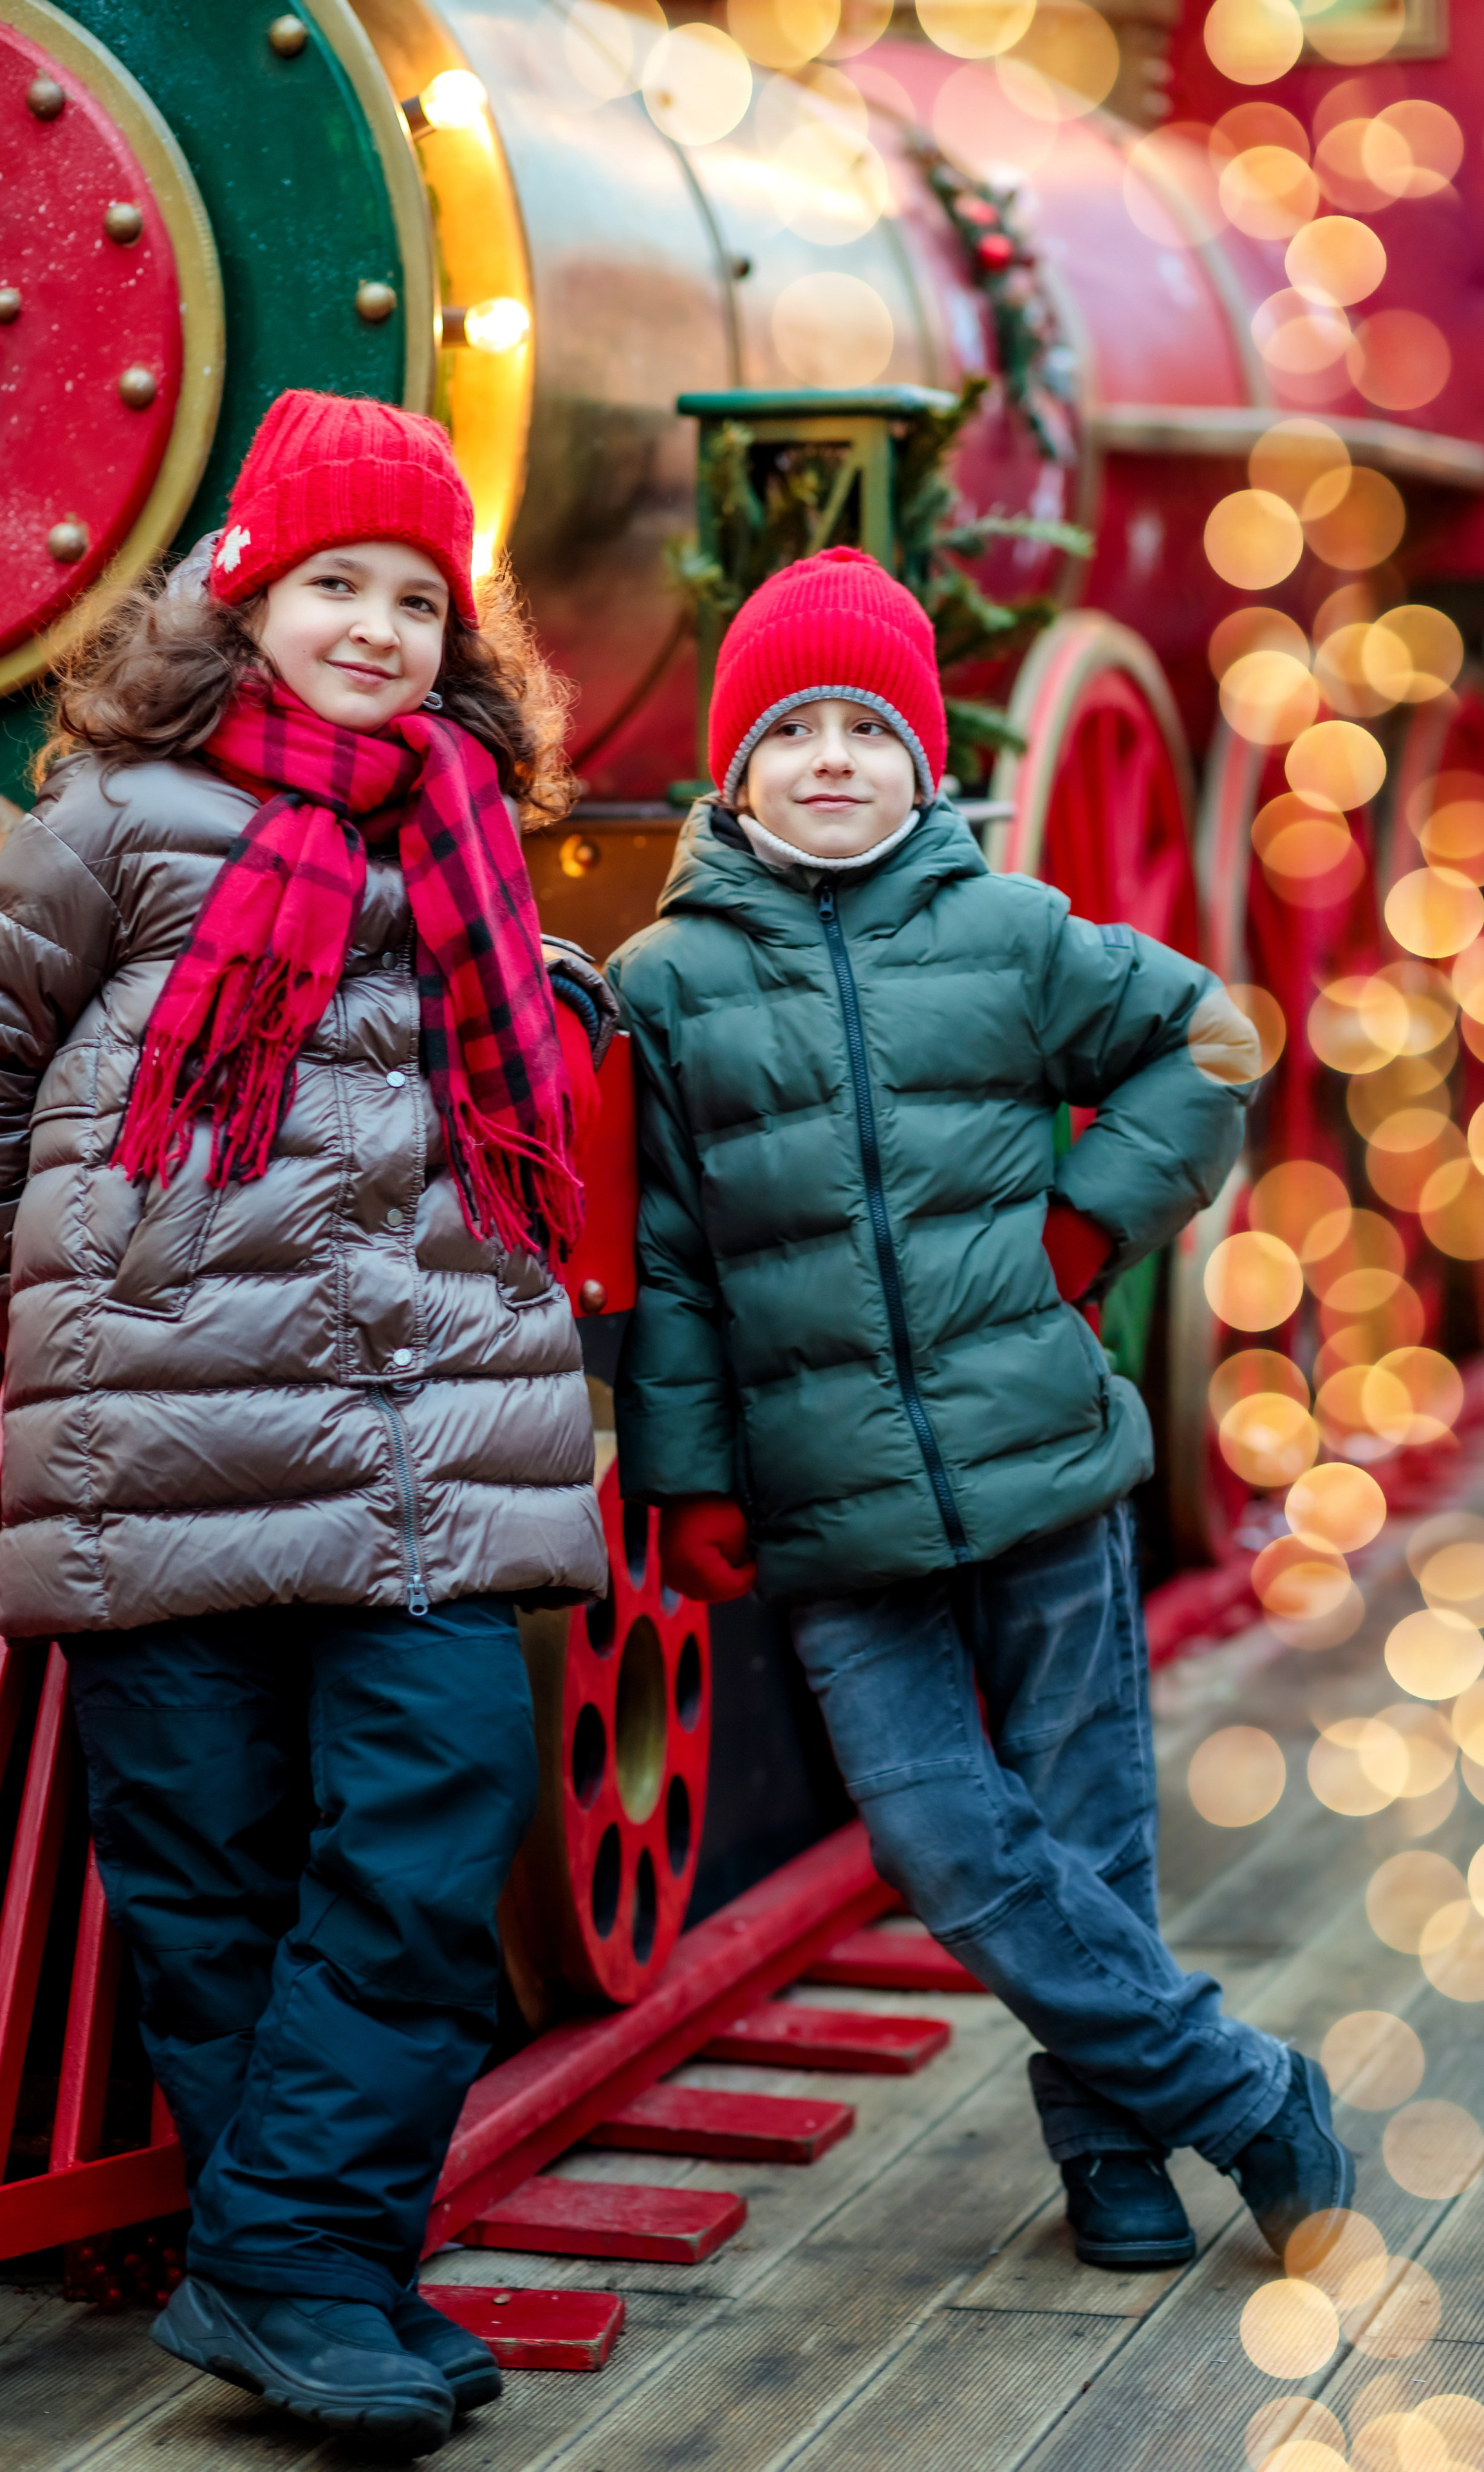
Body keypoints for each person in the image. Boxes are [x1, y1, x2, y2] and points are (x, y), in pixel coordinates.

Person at [0, 391, 613, 2453]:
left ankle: (288, 2264)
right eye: (339, 586)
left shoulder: (477, 839)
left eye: (420, 598)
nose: (381, 630)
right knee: (203, 1869)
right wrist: (94, 1278)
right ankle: (323, 2284)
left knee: (422, 1839)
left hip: (421, 1457)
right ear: (247, 598)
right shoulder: (121, 823)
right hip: (164, 1439)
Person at [607, 545, 1354, 2276]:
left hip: (1044, 1467)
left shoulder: (1013, 935)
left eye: (870, 725)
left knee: (1085, 1821)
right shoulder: (666, 985)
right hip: (826, 1502)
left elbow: (1217, 1042)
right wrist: (694, 1480)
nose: (833, 758)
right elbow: (673, 1260)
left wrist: (1094, 1220)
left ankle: (1108, 2153)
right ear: (736, 767)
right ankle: (1250, 2099)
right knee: (945, 1837)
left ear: (928, 762)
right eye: (791, 728)